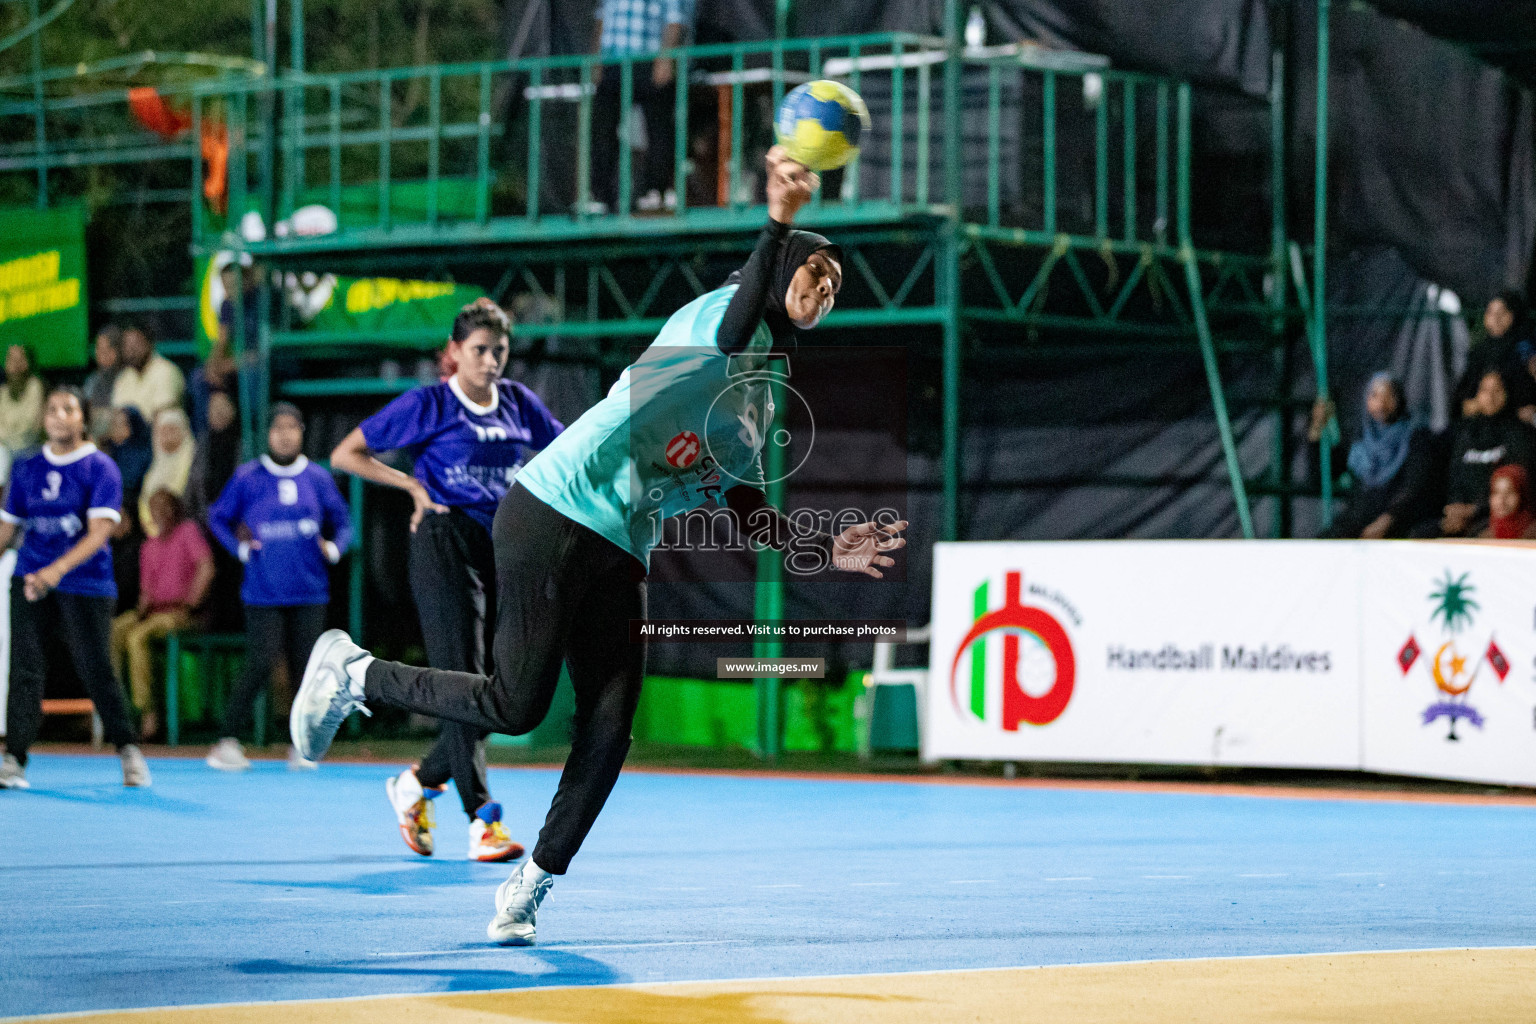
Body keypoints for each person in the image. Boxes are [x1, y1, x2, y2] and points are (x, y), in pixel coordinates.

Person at [291, 147, 906, 945]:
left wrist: (825, 547)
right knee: (515, 704)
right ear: (780, 261)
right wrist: (778, 221)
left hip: (619, 542)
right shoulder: (715, 317)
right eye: (815, 271)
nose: (825, 290)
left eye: (835, 288)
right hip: (555, 508)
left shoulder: (759, 395)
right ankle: (353, 670)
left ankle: (530, 882)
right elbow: (731, 325)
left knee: (611, 724)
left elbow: (748, 507)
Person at [329, 297, 564, 863]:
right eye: (480, 351)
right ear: (454, 353)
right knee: (464, 676)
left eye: (500, 352)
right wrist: (412, 487)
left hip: (500, 551)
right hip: (442, 542)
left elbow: (566, 451)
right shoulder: (430, 403)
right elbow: (346, 454)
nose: (491, 362)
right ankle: (483, 819)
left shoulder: (518, 404)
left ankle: (414, 785)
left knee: (495, 692)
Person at [0, 385, 149, 790]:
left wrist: (56, 571)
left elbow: (99, 533)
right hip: (30, 578)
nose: (58, 415)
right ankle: (13, 758)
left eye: (68, 409)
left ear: (83, 418)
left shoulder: (100, 468)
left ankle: (128, 750)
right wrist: (39, 572)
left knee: (96, 667)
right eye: (51, 409)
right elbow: (8, 528)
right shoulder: (26, 467)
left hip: (86, 581)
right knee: (26, 668)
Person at [205, 403, 351, 771]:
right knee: (261, 661)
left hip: (310, 589)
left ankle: (301, 747)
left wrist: (333, 549)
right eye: (278, 428)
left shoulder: (318, 477)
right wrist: (239, 549)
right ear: (267, 435)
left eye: (292, 427)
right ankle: (226, 742)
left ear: (302, 432)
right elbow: (217, 517)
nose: (285, 435)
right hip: (262, 590)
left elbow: (345, 522)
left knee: (308, 669)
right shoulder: (248, 477)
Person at [110, 489, 214, 740]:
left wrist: (192, 602)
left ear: (175, 509)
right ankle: (117, 710)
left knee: (138, 638)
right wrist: (141, 609)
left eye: (165, 506)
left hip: (183, 612)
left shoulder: (188, 532)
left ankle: (149, 714)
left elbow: (206, 567)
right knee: (114, 631)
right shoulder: (149, 546)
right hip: (154, 611)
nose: (160, 513)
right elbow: (146, 590)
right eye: (154, 507)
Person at [589, 0, 691, 214]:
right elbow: (602, 16)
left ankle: (655, 191)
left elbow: (675, 19)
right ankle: (600, 195)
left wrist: (665, 57)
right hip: (613, 61)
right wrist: (596, 58)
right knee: (601, 127)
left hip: (649, 59)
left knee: (658, 127)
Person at [1414, 370, 1536, 537]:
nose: (1490, 397)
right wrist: (1456, 507)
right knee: (1421, 535)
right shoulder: (1466, 432)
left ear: (1508, 393)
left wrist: (1475, 509)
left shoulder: (1519, 433)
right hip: (1462, 514)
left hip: (1499, 514)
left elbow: (1517, 487)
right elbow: (1455, 478)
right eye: (1484, 390)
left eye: (1497, 390)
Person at [1317, 374, 1438, 539]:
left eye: (1389, 396)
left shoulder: (1416, 438)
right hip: (1357, 522)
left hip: (1399, 525)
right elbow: (1328, 473)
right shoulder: (1358, 439)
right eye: (1375, 396)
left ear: (1400, 400)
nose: (1381, 403)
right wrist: (1317, 431)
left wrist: (1388, 520)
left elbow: (1414, 488)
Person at [1454, 291, 1534, 420]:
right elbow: (1466, 400)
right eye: (1490, 313)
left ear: (1514, 315)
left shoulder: (1526, 348)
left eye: (1502, 313)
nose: (1496, 319)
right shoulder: (1479, 352)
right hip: (1482, 424)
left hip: (1519, 426)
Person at [138, 409, 196, 539]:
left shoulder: (192, 460)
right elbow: (145, 502)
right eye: (163, 431)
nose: (168, 435)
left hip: (183, 527)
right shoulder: (155, 466)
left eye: (172, 429)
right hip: (155, 534)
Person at [111, 323, 185, 421]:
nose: (131, 350)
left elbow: (163, 415)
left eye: (136, 344)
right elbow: (117, 414)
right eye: (126, 345)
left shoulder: (166, 371)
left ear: (149, 343)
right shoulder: (124, 376)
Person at [0, 343, 45, 463]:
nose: (16, 365)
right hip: (5, 451)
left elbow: (30, 428)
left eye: (20, 359)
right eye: (11, 359)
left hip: (30, 450)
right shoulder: (3, 392)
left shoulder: (35, 387)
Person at [84, 325, 123, 442]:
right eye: (99, 349)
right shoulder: (93, 380)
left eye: (107, 349)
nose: (101, 355)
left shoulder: (127, 378)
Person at [1479, 464, 1536, 540]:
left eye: (1510, 492)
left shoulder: (1532, 535)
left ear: (1523, 495)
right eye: (1496, 492)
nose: (1501, 501)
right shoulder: (1483, 535)